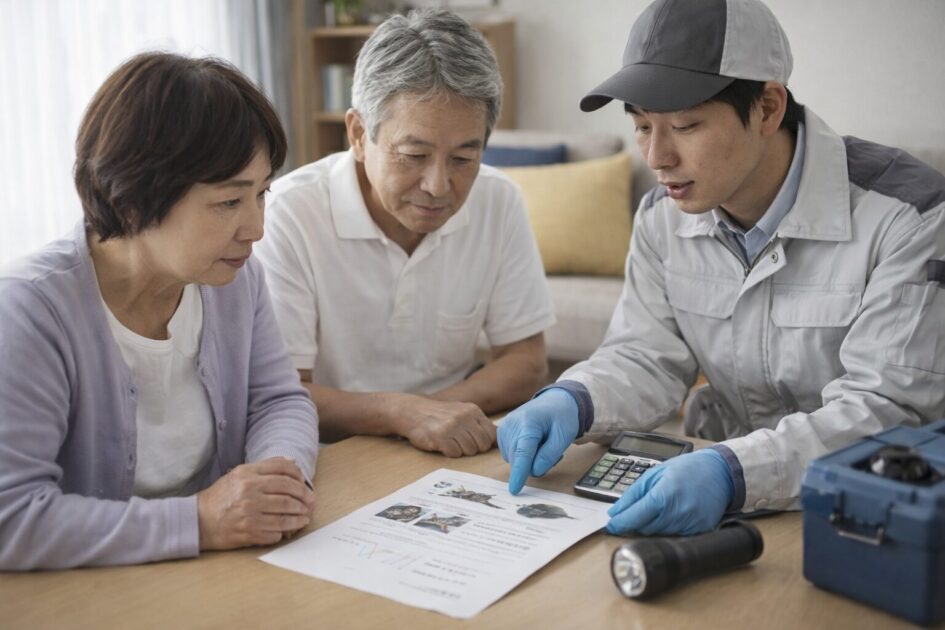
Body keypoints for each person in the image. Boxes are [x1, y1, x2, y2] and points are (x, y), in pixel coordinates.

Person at [498, 0, 945, 536]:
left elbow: (885, 409)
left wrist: (731, 472)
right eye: (642, 126)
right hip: (727, 500)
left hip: (872, 510)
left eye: (685, 126)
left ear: (768, 108)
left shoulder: (910, 216)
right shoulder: (662, 219)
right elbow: (646, 355)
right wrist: (575, 399)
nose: (656, 157)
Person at [0, 52, 319, 570]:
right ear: (132, 199)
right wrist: (201, 521)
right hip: (96, 594)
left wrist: (274, 480)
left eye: (262, 194)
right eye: (228, 203)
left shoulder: (234, 278)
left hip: (220, 573)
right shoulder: (28, 312)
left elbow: (280, 401)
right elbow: (11, 517)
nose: (256, 228)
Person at [256, 9, 554, 458]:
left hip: (445, 440)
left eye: (463, 159)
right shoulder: (290, 214)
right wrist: (404, 416)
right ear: (358, 134)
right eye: (414, 154)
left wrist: (428, 415)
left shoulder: (499, 200)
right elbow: (284, 393)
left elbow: (527, 361)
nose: (438, 186)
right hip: (330, 452)